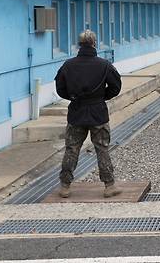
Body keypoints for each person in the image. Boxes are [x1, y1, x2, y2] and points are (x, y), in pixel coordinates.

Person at [54, 30, 123, 198]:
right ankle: (109, 185)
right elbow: (116, 87)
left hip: (76, 112)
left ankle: (65, 186)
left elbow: (60, 88)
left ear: (79, 45)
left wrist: (73, 98)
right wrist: (101, 97)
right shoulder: (104, 65)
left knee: (72, 149)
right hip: (98, 112)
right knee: (102, 148)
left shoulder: (68, 65)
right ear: (94, 44)